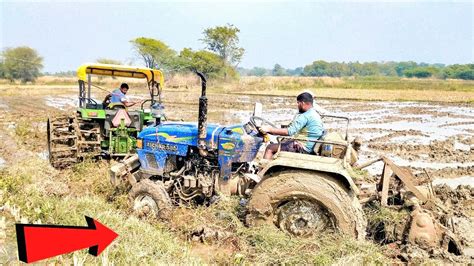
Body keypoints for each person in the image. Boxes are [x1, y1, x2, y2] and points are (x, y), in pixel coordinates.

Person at [261, 92, 324, 159]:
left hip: (303, 148)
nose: (298, 105)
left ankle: (262, 168)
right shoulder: (314, 113)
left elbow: (289, 132)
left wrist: (269, 129)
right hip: (309, 145)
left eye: (298, 103)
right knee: (285, 142)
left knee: (270, 148)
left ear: (302, 103)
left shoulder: (305, 116)